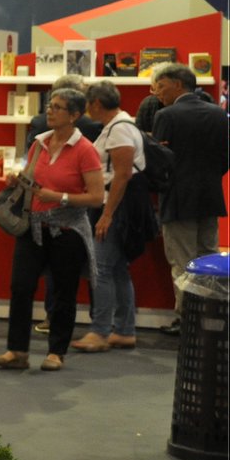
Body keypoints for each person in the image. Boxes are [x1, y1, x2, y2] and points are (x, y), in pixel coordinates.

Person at [0, 87, 104, 372]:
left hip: (68, 231)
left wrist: (60, 197)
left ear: (75, 115)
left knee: (65, 291)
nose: (49, 111)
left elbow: (96, 197)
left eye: (57, 107)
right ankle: (17, 351)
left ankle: (56, 352)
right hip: (34, 227)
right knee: (20, 286)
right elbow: (32, 178)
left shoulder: (85, 150)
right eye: (49, 106)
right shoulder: (39, 143)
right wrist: (17, 181)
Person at [72, 81, 153, 352]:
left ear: (96, 103)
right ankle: (124, 329)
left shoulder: (119, 130)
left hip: (117, 206)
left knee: (102, 268)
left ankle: (101, 331)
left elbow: (122, 174)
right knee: (117, 268)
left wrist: (107, 215)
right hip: (121, 205)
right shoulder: (120, 125)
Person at [151, 63, 230, 323]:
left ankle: (187, 322)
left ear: (178, 84)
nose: (157, 93)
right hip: (210, 197)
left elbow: (160, 162)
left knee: (183, 263)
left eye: (161, 86)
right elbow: (227, 158)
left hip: (177, 200)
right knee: (209, 258)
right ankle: (211, 317)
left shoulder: (166, 116)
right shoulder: (219, 114)